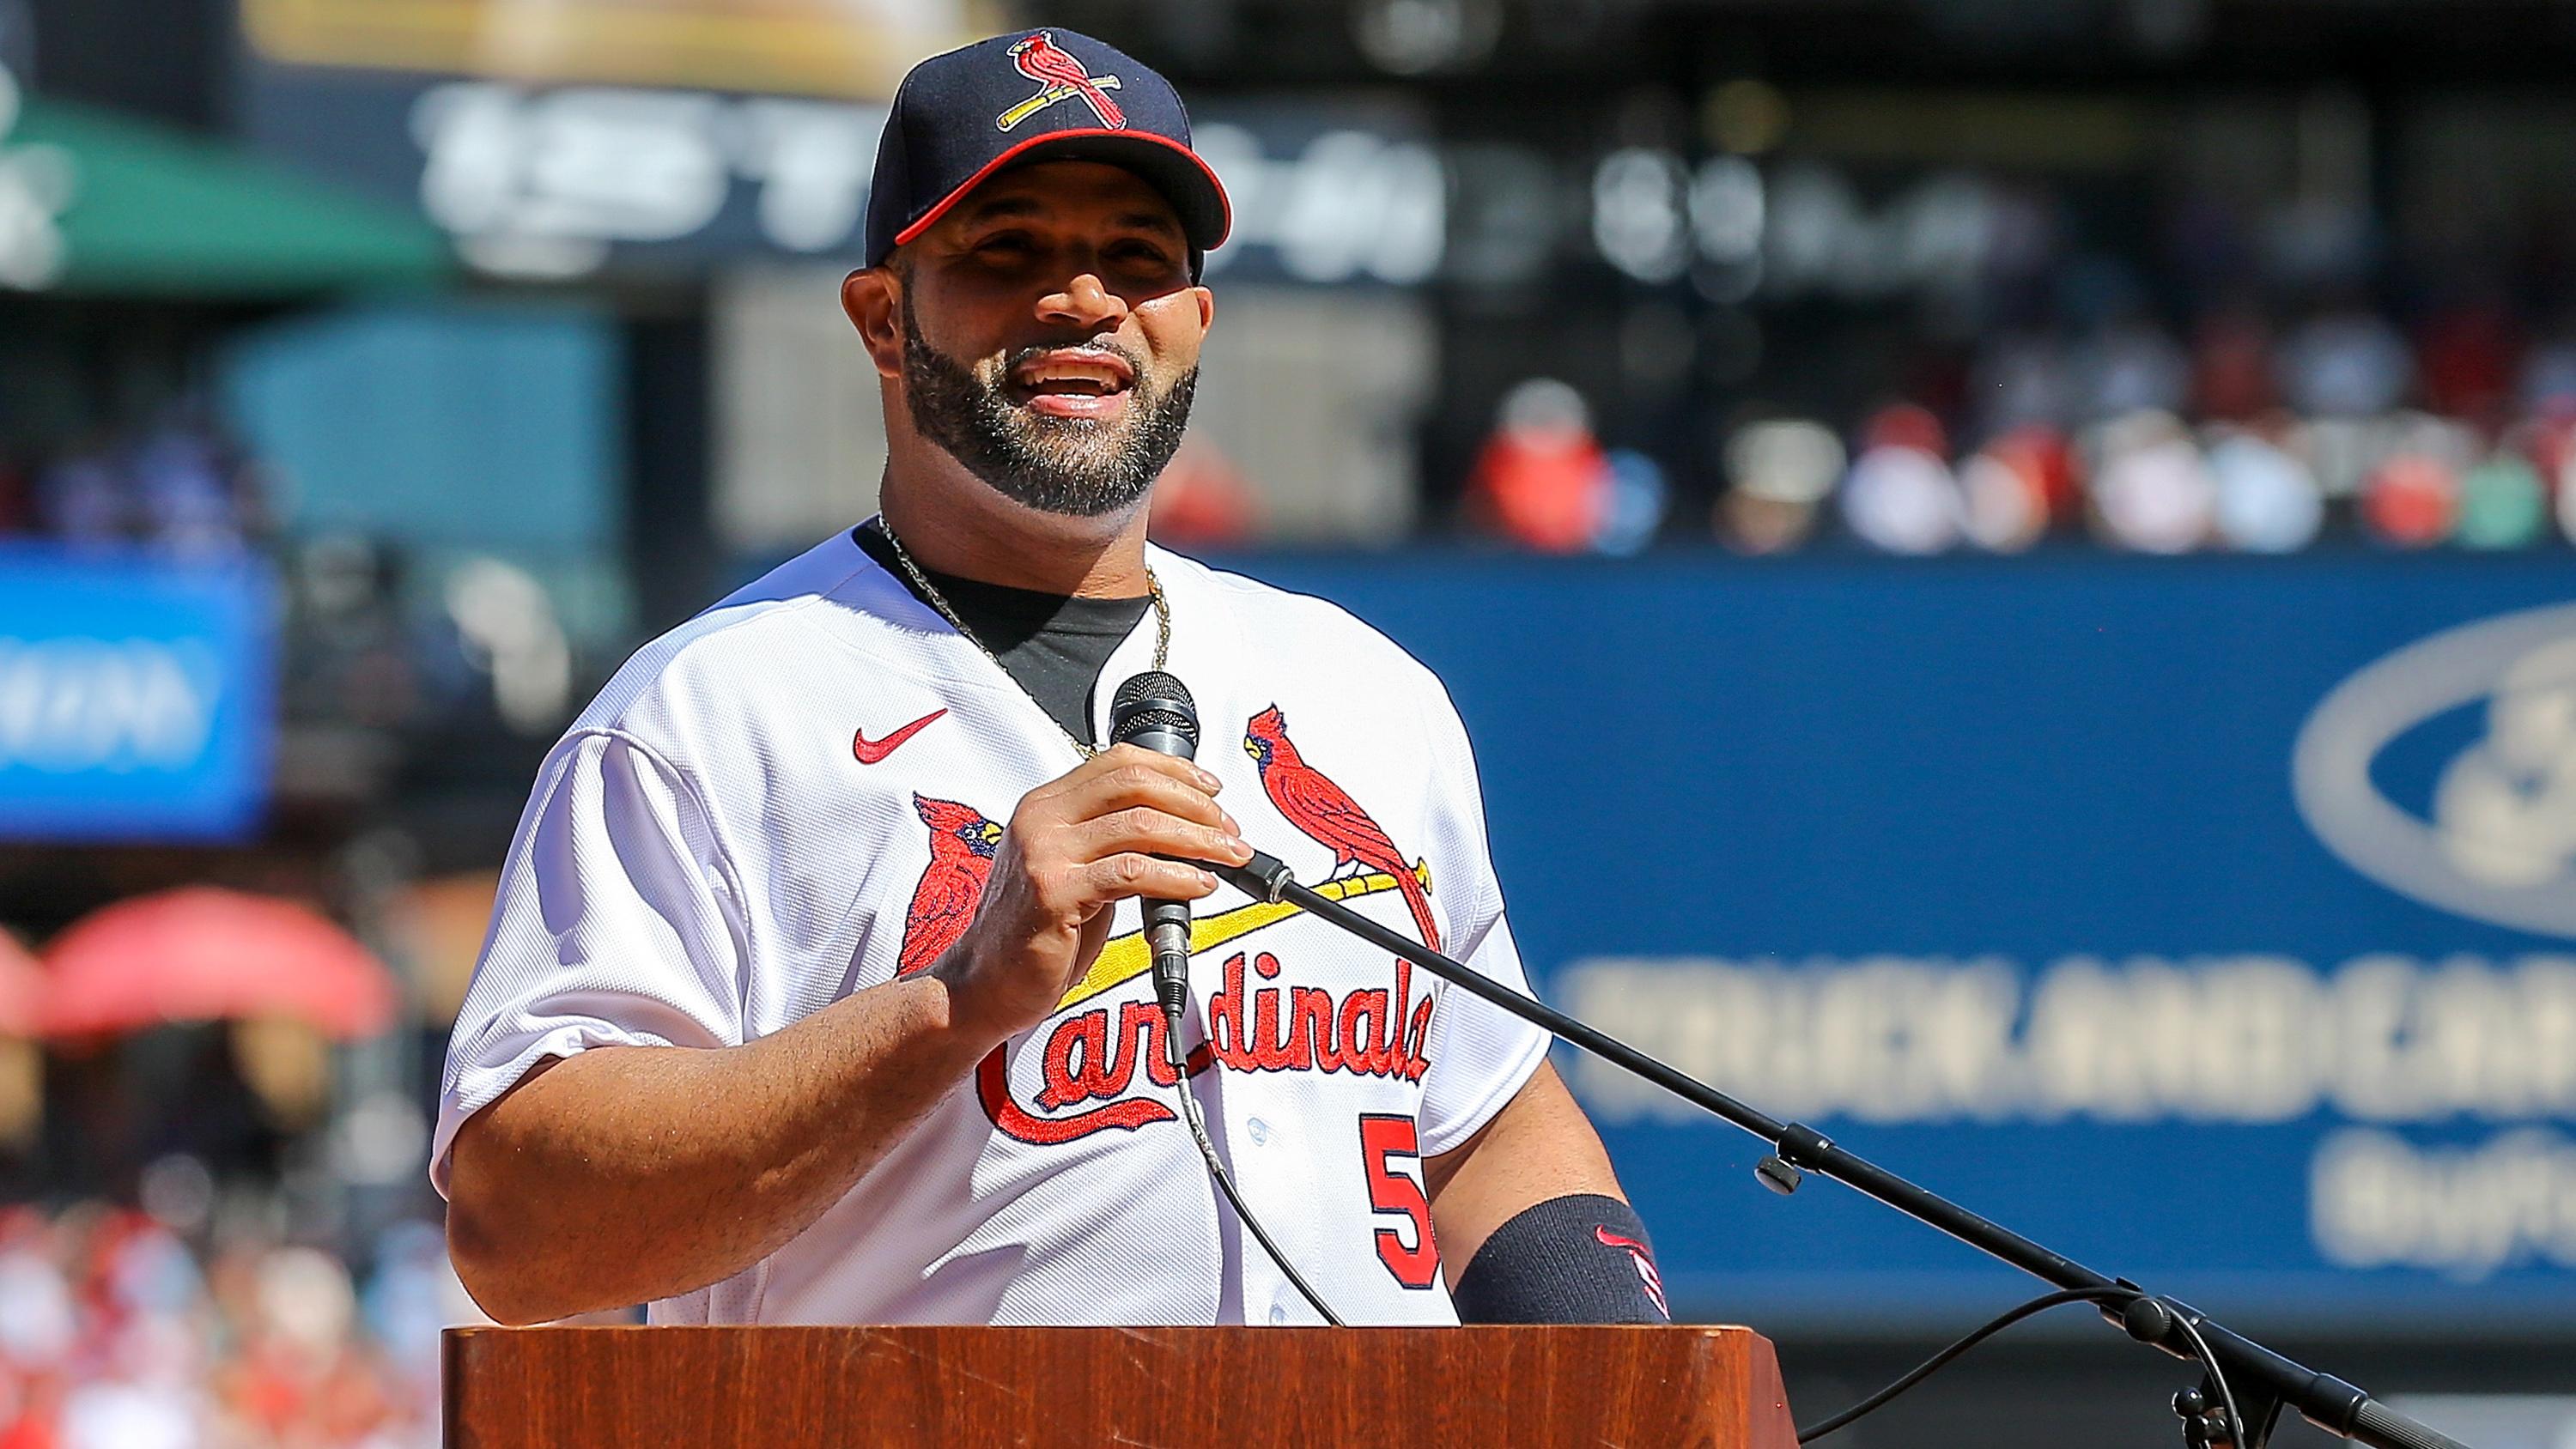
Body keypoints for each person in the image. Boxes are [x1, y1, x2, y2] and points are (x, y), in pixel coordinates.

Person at [434, 27, 1666, 1330]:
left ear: (1196, 320)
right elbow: (522, 1236)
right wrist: (950, 1005)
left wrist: (1638, 1377)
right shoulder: (709, 714)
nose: (1083, 300)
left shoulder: (1364, 691)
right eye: (1006, 251)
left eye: (1138, 258)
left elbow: (1481, 1118)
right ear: (881, 319)